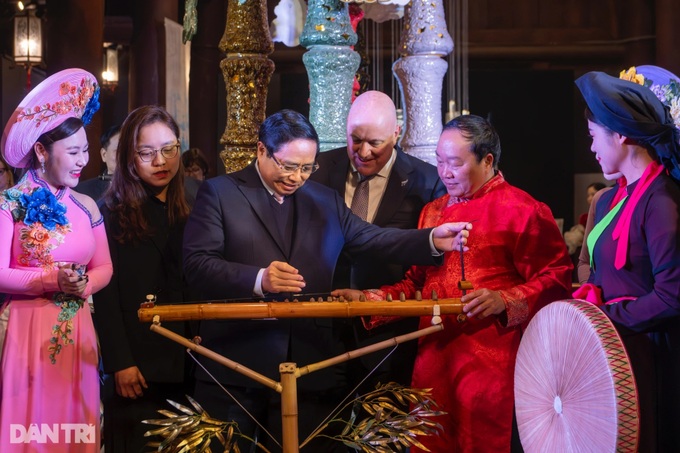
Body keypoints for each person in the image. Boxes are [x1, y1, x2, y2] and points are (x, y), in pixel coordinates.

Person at [182, 109, 471, 452]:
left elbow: (373, 238)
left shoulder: (324, 200)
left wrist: (430, 240)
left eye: (307, 167)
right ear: (261, 151)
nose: (297, 177)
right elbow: (196, 264)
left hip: (311, 364)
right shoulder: (220, 193)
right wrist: (259, 278)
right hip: (235, 364)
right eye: (288, 166)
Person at [334, 114, 573, 453]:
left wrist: (505, 299)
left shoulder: (523, 210)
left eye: (455, 164)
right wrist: (368, 299)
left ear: (487, 160)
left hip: (491, 361)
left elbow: (557, 277)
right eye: (439, 161)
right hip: (433, 356)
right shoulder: (433, 212)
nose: (444, 172)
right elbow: (416, 283)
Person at [0, 68, 113, 451]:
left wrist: (85, 284)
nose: (83, 161)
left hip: (78, 329)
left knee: (74, 431)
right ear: (42, 151)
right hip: (24, 330)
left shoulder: (86, 205)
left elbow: (104, 267)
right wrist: (52, 280)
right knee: (29, 431)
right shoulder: (10, 204)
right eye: (73, 152)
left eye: (85, 150)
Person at [310, 90, 446, 392]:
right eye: (355, 140)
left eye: (375, 143)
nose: (364, 152)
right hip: (322, 328)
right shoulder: (316, 170)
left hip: (389, 334)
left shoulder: (427, 181)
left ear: (396, 134)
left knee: (384, 433)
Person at [574, 70, 680, 452]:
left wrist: (604, 320)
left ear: (619, 134)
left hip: (654, 354)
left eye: (593, 136)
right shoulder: (612, 197)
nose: (591, 148)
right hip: (620, 351)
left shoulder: (662, 200)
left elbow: (672, 296)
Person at [92, 105, 195, 452]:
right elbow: (105, 296)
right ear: (129, 157)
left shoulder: (199, 200)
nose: (161, 161)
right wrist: (120, 362)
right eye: (147, 153)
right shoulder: (110, 212)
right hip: (136, 365)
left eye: (169, 149)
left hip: (192, 358)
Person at [75, 124, 121, 201]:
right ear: (104, 154)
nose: (126, 156)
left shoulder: (146, 189)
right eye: (119, 151)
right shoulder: (81, 191)